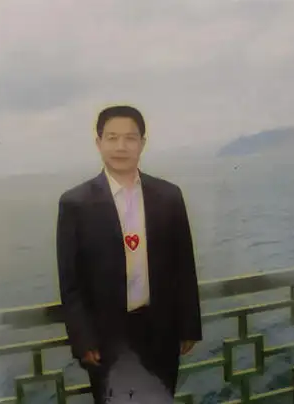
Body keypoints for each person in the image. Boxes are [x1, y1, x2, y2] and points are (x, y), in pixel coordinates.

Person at [55, 105, 202, 402]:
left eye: (130, 138)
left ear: (142, 143)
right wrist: (83, 340)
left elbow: (184, 265)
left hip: (161, 331)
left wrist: (189, 326)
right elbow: (71, 282)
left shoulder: (169, 196)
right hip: (106, 339)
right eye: (112, 138)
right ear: (99, 143)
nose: (121, 146)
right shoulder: (75, 203)